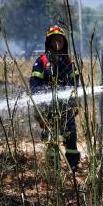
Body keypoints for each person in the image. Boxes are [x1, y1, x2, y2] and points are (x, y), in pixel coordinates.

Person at [30, 25, 81, 171]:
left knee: (70, 137)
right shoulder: (42, 61)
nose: (58, 42)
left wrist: (75, 103)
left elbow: (75, 83)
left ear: (64, 42)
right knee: (51, 138)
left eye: (60, 39)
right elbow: (35, 85)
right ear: (49, 42)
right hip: (48, 108)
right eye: (54, 40)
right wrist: (40, 108)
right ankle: (54, 168)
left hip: (67, 108)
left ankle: (73, 166)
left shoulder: (69, 62)